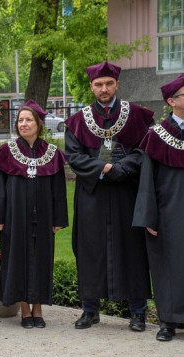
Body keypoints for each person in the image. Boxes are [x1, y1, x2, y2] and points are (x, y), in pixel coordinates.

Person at [64, 61, 154, 332]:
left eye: (108, 83)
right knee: (90, 249)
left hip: (127, 192)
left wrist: (122, 169)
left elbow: (143, 151)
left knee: (132, 249)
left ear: (117, 84)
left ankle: (137, 311)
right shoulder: (77, 121)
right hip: (93, 195)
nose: (104, 89)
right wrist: (104, 168)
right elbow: (74, 156)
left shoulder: (138, 116)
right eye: (98, 84)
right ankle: (90, 309)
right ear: (91, 86)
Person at [0, 100, 68, 328]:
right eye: (21, 120)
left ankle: (39, 308)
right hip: (15, 217)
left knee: (42, 260)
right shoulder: (6, 152)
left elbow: (59, 190)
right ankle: (24, 309)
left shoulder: (52, 154)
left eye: (29, 120)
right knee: (18, 260)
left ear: (39, 123)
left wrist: (58, 219)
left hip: (43, 217)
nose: (24, 124)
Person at [132, 74, 184, 341]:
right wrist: (148, 216)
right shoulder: (157, 135)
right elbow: (146, 181)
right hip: (167, 214)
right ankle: (167, 322)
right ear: (171, 101)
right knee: (167, 267)